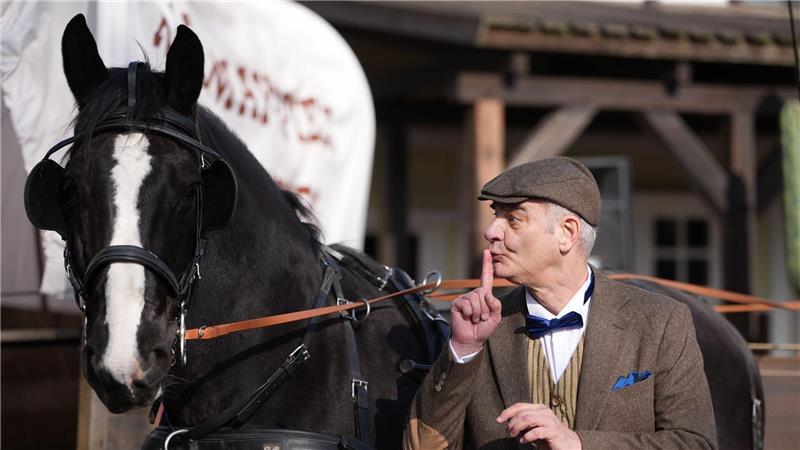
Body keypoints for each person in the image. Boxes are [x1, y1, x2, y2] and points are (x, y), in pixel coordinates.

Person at [403, 157, 716, 450]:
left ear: (566, 233)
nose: (491, 231)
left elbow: (695, 443)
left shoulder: (661, 322)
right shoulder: (480, 330)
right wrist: (463, 352)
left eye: (513, 219)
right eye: (496, 216)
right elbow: (421, 446)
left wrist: (578, 444)